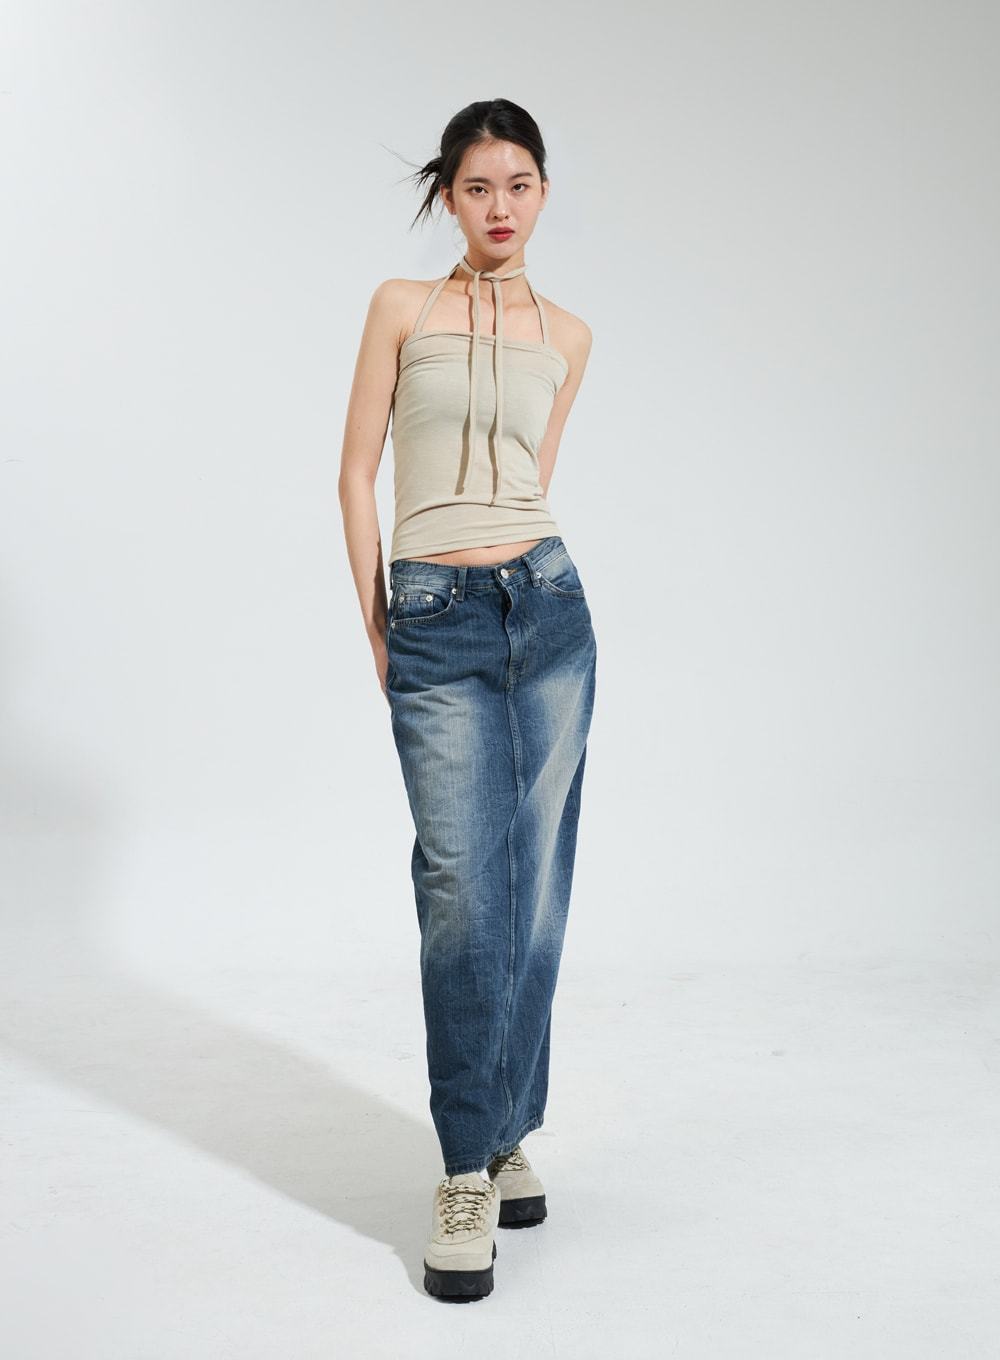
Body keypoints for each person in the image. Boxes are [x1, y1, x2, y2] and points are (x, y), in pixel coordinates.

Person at [339, 98, 597, 1302]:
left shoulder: (570, 335)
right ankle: (459, 1166)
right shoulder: (402, 306)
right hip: (435, 613)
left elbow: (531, 479)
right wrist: (378, 620)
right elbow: (356, 471)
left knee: (534, 885)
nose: (501, 205)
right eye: (479, 185)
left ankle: (504, 1134)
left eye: (520, 184)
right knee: (460, 890)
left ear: (542, 192)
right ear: (448, 195)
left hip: (547, 609)